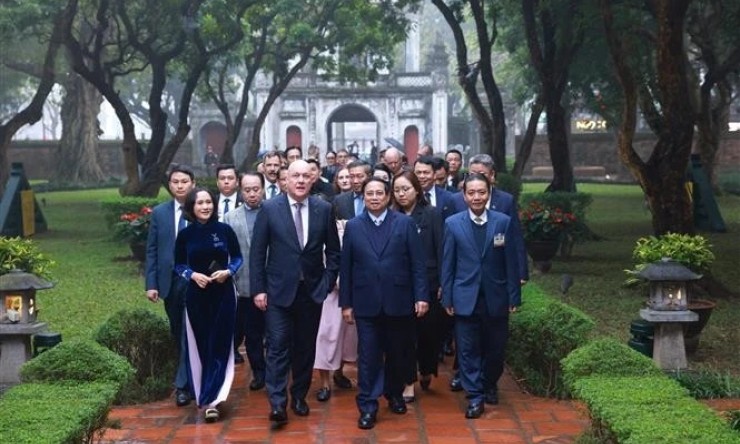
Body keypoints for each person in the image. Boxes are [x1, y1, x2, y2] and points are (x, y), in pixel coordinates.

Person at [250, 160, 341, 426]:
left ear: (313, 179)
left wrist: (326, 282)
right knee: (277, 347)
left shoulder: (323, 209)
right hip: (277, 292)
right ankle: (277, 403)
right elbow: (257, 252)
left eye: (305, 176)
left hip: (311, 292)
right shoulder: (269, 208)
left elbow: (334, 252)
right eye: (295, 176)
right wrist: (258, 289)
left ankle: (299, 395)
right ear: (285, 180)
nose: (300, 181)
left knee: (304, 347)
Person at [339, 177, 429, 430]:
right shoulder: (354, 227)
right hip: (366, 303)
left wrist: (421, 296)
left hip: (399, 301)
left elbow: (417, 264)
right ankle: (367, 405)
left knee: (398, 353)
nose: (375, 197)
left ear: (388, 197)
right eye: (370, 193)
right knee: (368, 356)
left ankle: (394, 393)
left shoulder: (405, 223)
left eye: (380, 193)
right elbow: (346, 268)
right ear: (364, 197)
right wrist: (346, 304)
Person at [441, 173, 521, 419]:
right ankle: (475, 396)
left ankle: (488, 383)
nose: (476, 197)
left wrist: (513, 297)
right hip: (465, 298)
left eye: (481, 192)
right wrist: (448, 298)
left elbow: (511, 263)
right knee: (466, 350)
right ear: (464, 195)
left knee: (496, 349)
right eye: (471, 193)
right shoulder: (453, 223)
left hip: (495, 298)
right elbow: (449, 264)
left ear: (489, 193)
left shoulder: (503, 222)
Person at [174, 187, 242, 422]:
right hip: (196, 296)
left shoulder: (225, 231)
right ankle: (203, 393)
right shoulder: (185, 235)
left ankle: (213, 400)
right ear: (192, 207)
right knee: (202, 345)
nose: (205, 206)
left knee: (220, 344)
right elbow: (179, 265)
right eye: (200, 203)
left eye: (208, 202)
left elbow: (237, 257)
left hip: (223, 295)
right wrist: (192, 275)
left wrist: (228, 271)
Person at [145, 165, 196, 408]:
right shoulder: (160, 213)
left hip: (196, 281)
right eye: (175, 181)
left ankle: (184, 386)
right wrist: (151, 283)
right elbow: (152, 250)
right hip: (170, 281)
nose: (179, 185)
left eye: (184, 181)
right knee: (178, 331)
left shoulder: (202, 208)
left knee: (190, 331)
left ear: (192, 184)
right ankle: (189, 374)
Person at [391, 171, 444, 403]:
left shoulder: (431, 215)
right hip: (401, 286)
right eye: (397, 190)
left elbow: (442, 249)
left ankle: (426, 368)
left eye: (406, 189)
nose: (402, 194)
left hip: (430, 283)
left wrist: (443, 282)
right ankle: (408, 381)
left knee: (428, 335)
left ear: (417, 190)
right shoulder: (391, 216)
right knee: (404, 337)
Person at [224, 172, 267, 389]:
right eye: (247, 190)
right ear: (241, 191)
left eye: (256, 189)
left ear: (263, 188)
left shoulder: (275, 211)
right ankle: (259, 372)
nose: (252, 194)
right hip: (244, 283)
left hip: (274, 283)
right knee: (252, 333)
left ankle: (277, 370)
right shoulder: (231, 217)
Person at [313, 214, 358, 402]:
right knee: (326, 336)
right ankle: (324, 382)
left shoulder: (347, 229)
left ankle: (339, 373)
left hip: (351, 293)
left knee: (349, 338)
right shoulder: (311, 232)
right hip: (326, 294)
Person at [414, 156, 464, 221]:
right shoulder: (410, 197)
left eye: (426, 172)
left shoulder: (449, 197)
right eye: (418, 173)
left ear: (434, 175)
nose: (422, 176)